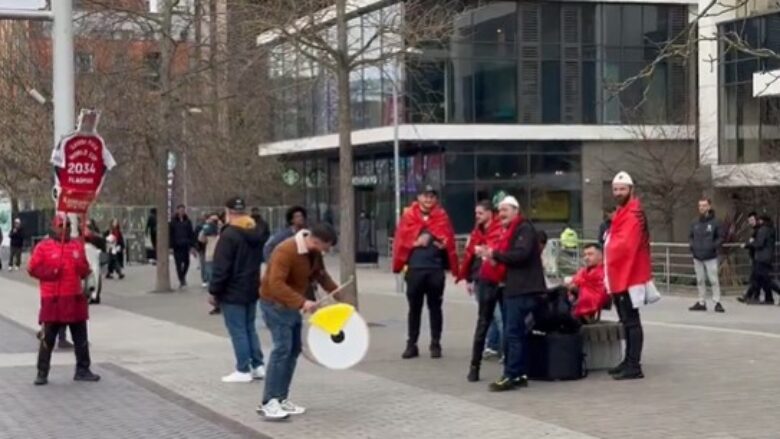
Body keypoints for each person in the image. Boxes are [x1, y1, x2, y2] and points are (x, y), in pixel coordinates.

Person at [258, 223, 339, 421]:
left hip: (292, 306)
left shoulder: (313, 252)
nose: (327, 251)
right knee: (282, 350)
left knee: (293, 350)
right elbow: (275, 284)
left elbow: (321, 275)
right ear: (316, 240)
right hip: (275, 305)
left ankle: (281, 397)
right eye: (326, 247)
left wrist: (341, 297)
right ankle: (269, 402)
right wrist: (303, 302)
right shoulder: (286, 250)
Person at [474, 195, 545, 392]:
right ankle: (520, 373)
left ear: (516, 210)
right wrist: (493, 256)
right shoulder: (513, 230)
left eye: (505, 210)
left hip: (521, 289)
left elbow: (520, 255)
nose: (501, 214)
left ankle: (511, 375)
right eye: (500, 210)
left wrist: (494, 254)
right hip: (516, 287)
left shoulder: (523, 229)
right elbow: (512, 257)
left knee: (512, 333)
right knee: (517, 333)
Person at [28, 215, 100, 385]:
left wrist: (84, 267)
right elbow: (32, 268)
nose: (65, 229)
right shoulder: (43, 247)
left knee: (81, 337)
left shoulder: (76, 245)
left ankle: (83, 369)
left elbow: (84, 270)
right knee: (48, 338)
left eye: (68, 226)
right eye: (62, 225)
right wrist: (51, 272)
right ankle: (42, 372)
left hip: (74, 297)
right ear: (54, 227)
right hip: (53, 298)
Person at [392, 185, 458, 360]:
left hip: (435, 269)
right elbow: (401, 240)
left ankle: (435, 343)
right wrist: (416, 241)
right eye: (425, 196)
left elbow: (449, 240)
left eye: (432, 196)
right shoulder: (409, 216)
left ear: (436, 199)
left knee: (435, 307)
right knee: (414, 308)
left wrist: (439, 241)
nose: (428, 199)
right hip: (415, 269)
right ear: (419, 198)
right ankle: (411, 344)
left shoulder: (442, 216)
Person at [208, 198, 266, 383]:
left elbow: (221, 267)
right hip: (251, 286)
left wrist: (214, 291)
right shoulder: (255, 232)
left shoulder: (229, 235)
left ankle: (243, 369)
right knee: (250, 328)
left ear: (228, 212)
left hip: (233, 289)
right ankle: (258, 365)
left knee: (238, 330)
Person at [604, 171, 651, 380]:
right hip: (623, 273)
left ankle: (634, 364)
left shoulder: (632, 214)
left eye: (622, 189)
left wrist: (608, 245)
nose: (618, 193)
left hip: (628, 275)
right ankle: (629, 361)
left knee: (631, 321)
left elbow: (624, 245)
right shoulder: (627, 212)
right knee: (627, 320)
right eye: (615, 189)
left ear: (631, 190)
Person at [459, 200, 502, 382]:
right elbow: (469, 255)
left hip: (498, 279)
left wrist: (487, 252)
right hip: (481, 279)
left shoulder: (499, 230)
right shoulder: (476, 233)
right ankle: (474, 365)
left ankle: (507, 360)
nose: (477, 216)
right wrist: (469, 278)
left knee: (500, 319)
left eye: (480, 213)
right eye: (476, 213)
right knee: (485, 320)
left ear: (490, 214)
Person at [688, 198, 725, 313]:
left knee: (713, 280)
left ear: (709, 206)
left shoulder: (716, 222)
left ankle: (717, 301)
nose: (701, 208)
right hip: (697, 256)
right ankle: (701, 302)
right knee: (700, 280)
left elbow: (721, 237)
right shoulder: (695, 222)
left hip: (710, 256)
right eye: (700, 206)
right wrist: (692, 246)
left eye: (704, 205)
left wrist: (713, 246)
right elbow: (690, 236)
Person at [566, 243, 609, 323]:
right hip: (576, 304)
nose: (586, 258)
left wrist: (577, 289)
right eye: (585, 255)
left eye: (590, 254)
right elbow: (573, 282)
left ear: (600, 256)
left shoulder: (604, 272)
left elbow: (599, 294)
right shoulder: (583, 271)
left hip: (585, 307)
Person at [742, 214, 778, 305]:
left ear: (761, 221)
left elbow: (759, 243)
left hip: (761, 258)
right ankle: (767, 298)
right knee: (762, 279)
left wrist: (747, 244)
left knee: (765, 279)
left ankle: (752, 296)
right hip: (767, 257)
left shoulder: (763, 230)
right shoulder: (770, 229)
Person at [170, 204, 195, 288]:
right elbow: (170, 234)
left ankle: (183, 275)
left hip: (185, 245)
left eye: (183, 210)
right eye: (180, 210)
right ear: (177, 211)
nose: (181, 211)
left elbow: (191, 233)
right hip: (177, 246)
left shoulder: (188, 221)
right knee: (178, 264)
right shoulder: (173, 221)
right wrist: (171, 245)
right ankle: (181, 279)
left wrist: (192, 245)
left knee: (187, 262)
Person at [199, 214, 220, 290]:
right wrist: (204, 229)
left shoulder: (221, 230)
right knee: (210, 270)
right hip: (211, 254)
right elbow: (201, 239)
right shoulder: (207, 231)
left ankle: (214, 284)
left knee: (213, 270)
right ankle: (212, 284)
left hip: (217, 254)